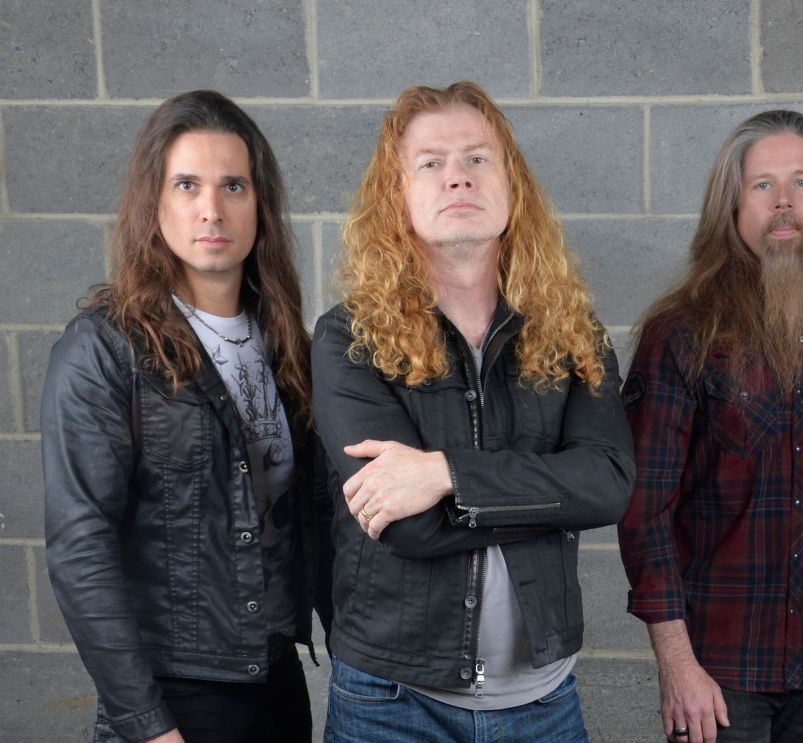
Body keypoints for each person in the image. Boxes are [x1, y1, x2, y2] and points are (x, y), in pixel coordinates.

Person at [310, 81, 634, 742]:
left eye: (477, 158)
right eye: (430, 162)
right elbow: (408, 529)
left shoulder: (572, 330)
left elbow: (608, 485)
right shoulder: (349, 338)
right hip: (391, 702)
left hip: (543, 704)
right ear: (396, 197)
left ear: (512, 187)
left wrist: (444, 474)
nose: (457, 176)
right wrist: (550, 496)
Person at [42, 90, 332, 743]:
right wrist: (148, 725)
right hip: (172, 698)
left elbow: (314, 515)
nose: (212, 207)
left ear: (260, 203)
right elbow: (79, 546)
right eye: (187, 184)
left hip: (278, 684)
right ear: (155, 202)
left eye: (233, 184)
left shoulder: (285, 344)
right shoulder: (105, 347)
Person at [617, 109, 803, 743]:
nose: (784, 202)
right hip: (717, 670)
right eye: (762, 184)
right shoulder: (681, 335)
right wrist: (677, 664)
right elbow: (645, 511)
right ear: (732, 206)